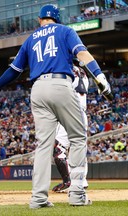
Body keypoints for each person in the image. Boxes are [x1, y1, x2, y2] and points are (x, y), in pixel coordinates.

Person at [0, 4, 111, 208]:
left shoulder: (30, 39)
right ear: (57, 19)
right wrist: (100, 76)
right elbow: (82, 55)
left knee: (43, 146)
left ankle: (38, 198)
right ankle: (77, 194)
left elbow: (14, 70)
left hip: (37, 90)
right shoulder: (66, 30)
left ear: (40, 20)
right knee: (77, 137)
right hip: (60, 84)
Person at [52, 65, 89, 193]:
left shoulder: (64, 67)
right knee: (78, 148)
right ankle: (81, 181)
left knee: (58, 149)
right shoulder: (83, 72)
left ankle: (68, 182)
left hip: (69, 111)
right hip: (82, 113)